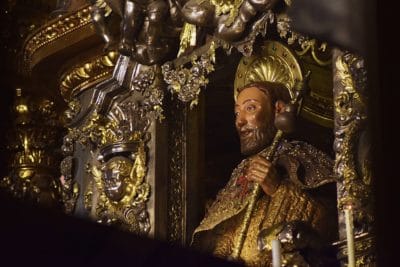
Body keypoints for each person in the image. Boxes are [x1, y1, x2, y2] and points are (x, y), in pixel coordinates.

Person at [192, 81, 338, 266]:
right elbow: (226, 232)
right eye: (237, 112)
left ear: (278, 109)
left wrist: (277, 189)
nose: (239, 121)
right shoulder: (240, 172)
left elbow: (329, 219)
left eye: (250, 108)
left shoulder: (301, 157)